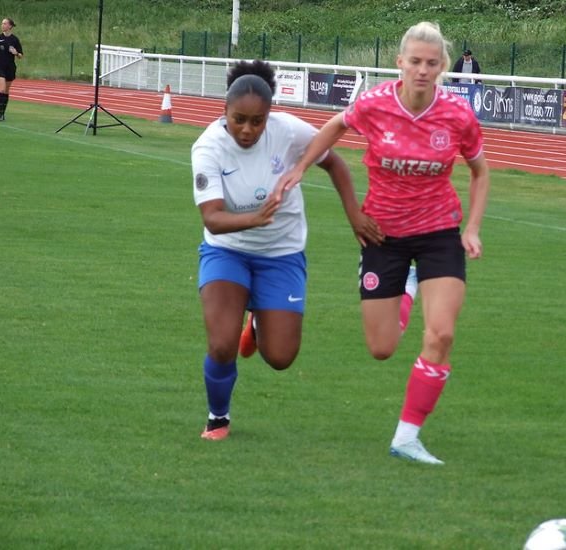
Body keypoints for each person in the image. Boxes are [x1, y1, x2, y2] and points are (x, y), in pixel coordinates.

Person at [278, 22, 491, 465]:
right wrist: (301, 167)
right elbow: (335, 126)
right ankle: (407, 288)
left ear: (442, 68)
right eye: (415, 61)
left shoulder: (457, 114)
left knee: (442, 334)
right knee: (382, 348)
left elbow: (479, 171)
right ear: (400, 63)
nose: (423, 70)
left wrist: (471, 228)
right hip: (383, 236)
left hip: (439, 234)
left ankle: (407, 437)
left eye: (432, 63)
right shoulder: (375, 103)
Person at [191, 59, 372, 441]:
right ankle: (218, 418)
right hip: (228, 250)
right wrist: (254, 220)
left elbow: (335, 163)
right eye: (239, 119)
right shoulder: (208, 146)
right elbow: (212, 219)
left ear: (270, 116)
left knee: (281, 357)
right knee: (222, 344)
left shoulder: (288, 131)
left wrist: (354, 214)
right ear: (225, 111)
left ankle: (257, 321)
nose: (247, 129)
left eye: (257, 121)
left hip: (282, 254)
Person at [0, 18, 23, 121]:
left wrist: (16, 53)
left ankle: (2, 113)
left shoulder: (15, 39)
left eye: (4, 23)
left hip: (10, 68)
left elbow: (21, 55)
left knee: (6, 91)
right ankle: (0, 114)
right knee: (2, 89)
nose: (2, 25)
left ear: (10, 26)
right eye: (2, 23)